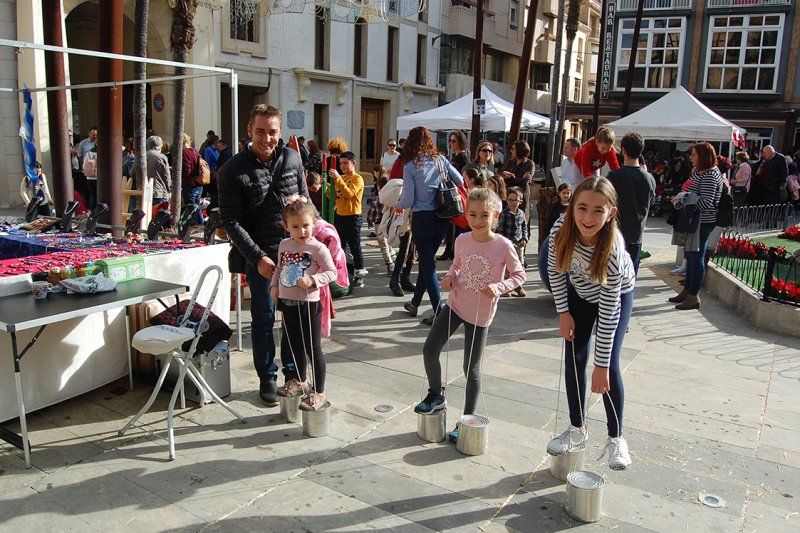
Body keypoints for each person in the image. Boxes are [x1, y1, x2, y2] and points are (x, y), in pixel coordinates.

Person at [414, 188, 526, 444]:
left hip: (481, 313)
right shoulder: (462, 240)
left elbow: (520, 275)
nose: (477, 220)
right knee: (430, 349)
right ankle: (435, 395)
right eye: (472, 214)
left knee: (471, 369)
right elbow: (457, 265)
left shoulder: (504, 246)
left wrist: (499, 287)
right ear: (466, 214)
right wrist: (450, 277)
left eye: (484, 215)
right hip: (455, 305)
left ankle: (467, 419)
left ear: (495, 216)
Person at [218, 104, 307, 407]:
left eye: (272, 132)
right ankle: (267, 376)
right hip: (262, 259)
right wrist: (257, 258)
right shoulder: (232, 169)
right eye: (260, 131)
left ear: (280, 132)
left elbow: (305, 204)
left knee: (293, 317)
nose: (267, 138)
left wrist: (312, 243)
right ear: (249, 130)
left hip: (294, 257)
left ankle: (293, 374)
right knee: (263, 318)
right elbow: (231, 222)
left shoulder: (293, 159)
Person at [546, 177, 635, 471]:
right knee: (574, 356)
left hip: (615, 298)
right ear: (571, 207)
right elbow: (555, 271)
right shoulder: (561, 229)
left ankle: (616, 437)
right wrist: (563, 312)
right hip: (581, 295)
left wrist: (601, 364)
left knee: (609, 367)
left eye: (598, 210)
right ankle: (577, 428)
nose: (588, 217)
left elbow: (610, 311)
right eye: (582, 208)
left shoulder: (613, 249)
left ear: (611, 212)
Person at [270, 196, 337, 411]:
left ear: (314, 224)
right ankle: (300, 381)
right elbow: (279, 269)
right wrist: (274, 286)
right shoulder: (284, 244)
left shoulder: (318, 248)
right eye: (295, 226)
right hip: (288, 303)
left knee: (313, 348)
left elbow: (331, 272)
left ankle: (319, 391)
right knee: (295, 345)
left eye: (306, 225)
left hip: (309, 305)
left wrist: (313, 280)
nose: (301, 231)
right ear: (286, 226)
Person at [397, 126, 465, 325]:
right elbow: (460, 180)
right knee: (427, 263)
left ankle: (439, 312)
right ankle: (415, 303)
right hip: (442, 216)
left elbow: (408, 200)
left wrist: (396, 204)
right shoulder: (441, 160)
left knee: (427, 266)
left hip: (422, 219)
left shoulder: (410, 166)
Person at [668, 142, 723, 311]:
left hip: (702, 222)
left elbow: (707, 202)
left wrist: (684, 201)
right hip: (696, 221)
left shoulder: (710, 175)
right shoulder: (701, 173)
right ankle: (688, 291)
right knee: (691, 255)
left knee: (696, 256)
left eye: (694, 155)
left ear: (703, 157)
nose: (690, 157)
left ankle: (693, 295)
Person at [606, 132, 656, 274]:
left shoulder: (614, 177)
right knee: (630, 277)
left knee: (611, 277)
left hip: (614, 234)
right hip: (636, 234)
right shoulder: (649, 178)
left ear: (623, 151)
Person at [328, 151, 367, 287]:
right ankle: (342, 273)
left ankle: (360, 275)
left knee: (355, 247)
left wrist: (338, 179)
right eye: (341, 163)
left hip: (353, 217)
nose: (342, 166)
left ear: (353, 163)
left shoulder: (357, 178)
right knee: (340, 247)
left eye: (345, 163)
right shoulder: (341, 178)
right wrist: (325, 185)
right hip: (340, 216)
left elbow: (349, 194)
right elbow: (332, 196)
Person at [498, 187, 528, 297]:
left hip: (519, 244)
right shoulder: (504, 214)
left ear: (520, 201)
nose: (513, 202)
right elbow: (500, 230)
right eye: (510, 200)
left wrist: (524, 238)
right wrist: (507, 243)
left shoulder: (521, 213)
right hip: (507, 245)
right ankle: (507, 287)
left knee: (519, 264)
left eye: (515, 200)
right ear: (506, 200)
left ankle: (518, 286)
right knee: (507, 266)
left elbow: (524, 227)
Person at [180, 134, 204, 225]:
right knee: (197, 208)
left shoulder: (184, 153)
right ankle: (201, 227)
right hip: (198, 184)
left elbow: (187, 170)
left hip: (190, 184)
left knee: (191, 209)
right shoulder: (195, 151)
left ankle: (194, 228)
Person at [142, 135, 171, 206]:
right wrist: (169, 187)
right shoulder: (162, 157)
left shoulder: (142, 156)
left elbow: (132, 173)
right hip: (159, 191)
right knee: (161, 214)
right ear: (160, 145)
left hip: (145, 191)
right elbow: (166, 175)